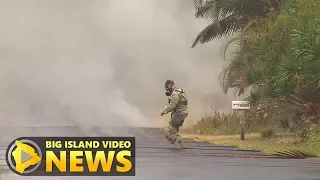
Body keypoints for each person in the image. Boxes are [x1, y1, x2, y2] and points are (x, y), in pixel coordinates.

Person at [161, 80, 188, 150]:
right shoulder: (179, 90)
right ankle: (173, 139)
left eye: (167, 87)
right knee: (174, 127)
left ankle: (182, 144)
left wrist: (164, 111)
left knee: (171, 127)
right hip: (182, 112)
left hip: (179, 112)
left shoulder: (175, 94)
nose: (167, 89)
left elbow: (173, 105)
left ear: (170, 85)